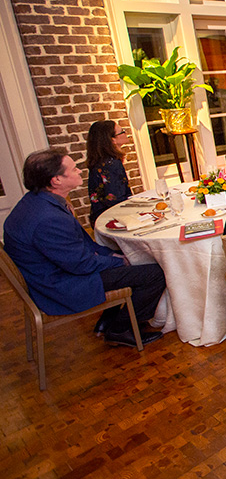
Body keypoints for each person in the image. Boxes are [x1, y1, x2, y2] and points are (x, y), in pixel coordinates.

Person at [3, 149, 165, 347]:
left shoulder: (36, 202)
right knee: (155, 273)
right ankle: (120, 329)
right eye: (73, 169)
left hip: (56, 272)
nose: (80, 171)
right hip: (61, 285)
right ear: (56, 181)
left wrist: (112, 254)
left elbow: (82, 245)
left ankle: (107, 321)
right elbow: (81, 265)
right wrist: (118, 260)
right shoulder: (47, 218)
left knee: (130, 258)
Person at [86, 120, 132, 227]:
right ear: (113, 140)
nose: (126, 133)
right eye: (122, 132)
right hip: (110, 221)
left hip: (99, 216)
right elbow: (117, 202)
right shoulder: (112, 164)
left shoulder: (100, 161)